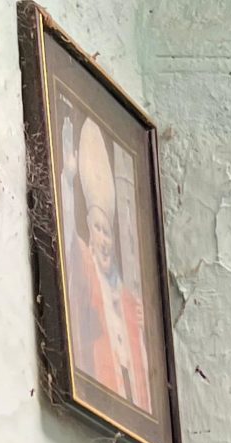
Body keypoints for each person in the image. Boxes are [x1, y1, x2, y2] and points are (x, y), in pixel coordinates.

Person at [66, 116, 151, 410]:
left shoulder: (124, 294)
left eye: (107, 232)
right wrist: (67, 180)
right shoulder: (85, 265)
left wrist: (140, 324)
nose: (103, 239)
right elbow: (65, 238)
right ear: (90, 230)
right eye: (98, 229)